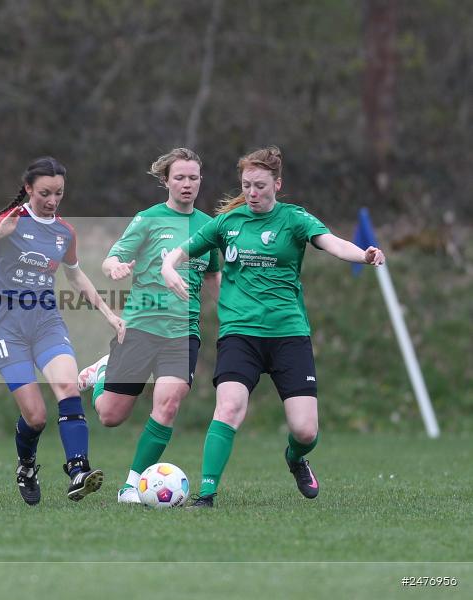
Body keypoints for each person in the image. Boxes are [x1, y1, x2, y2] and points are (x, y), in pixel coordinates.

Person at [161, 146, 385, 508]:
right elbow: (180, 251)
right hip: (239, 333)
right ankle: (207, 494)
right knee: (229, 407)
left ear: (277, 184)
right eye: (247, 185)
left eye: (260, 185)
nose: (252, 192)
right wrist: (169, 267)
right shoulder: (227, 224)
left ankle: (296, 458)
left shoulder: (295, 220)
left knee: (305, 430)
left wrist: (364, 254)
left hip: (288, 334)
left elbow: (334, 244)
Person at [0, 157, 125, 505]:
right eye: (45, 193)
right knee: (36, 417)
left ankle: (78, 469)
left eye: (58, 193)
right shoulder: (12, 221)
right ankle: (27, 465)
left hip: (46, 322)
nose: (52, 200)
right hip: (6, 326)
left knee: (66, 387)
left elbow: (75, 275)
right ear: (29, 189)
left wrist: (108, 312)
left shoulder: (64, 232)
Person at [77, 148, 220, 504]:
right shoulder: (148, 219)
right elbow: (112, 258)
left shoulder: (210, 226)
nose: (187, 184)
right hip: (141, 326)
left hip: (182, 332)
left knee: (168, 404)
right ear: (166, 181)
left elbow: (216, 277)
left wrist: (232, 310)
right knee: (111, 416)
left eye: (193, 177)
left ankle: (131, 485)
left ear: (201, 180)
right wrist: (116, 268)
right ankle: (104, 369)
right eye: (180, 178)